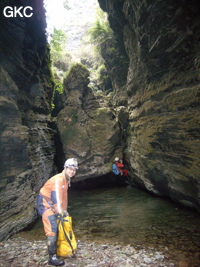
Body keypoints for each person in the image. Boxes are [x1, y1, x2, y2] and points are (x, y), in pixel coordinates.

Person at [36, 158, 78, 266]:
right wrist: (60, 212)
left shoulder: (67, 180)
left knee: (59, 224)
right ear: (65, 168)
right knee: (52, 228)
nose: (72, 171)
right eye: (70, 169)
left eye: (74, 170)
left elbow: (64, 197)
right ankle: (52, 258)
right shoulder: (59, 179)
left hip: (52, 203)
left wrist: (64, 211)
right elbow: (57, 198)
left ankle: (58, 248)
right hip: (45, 203)